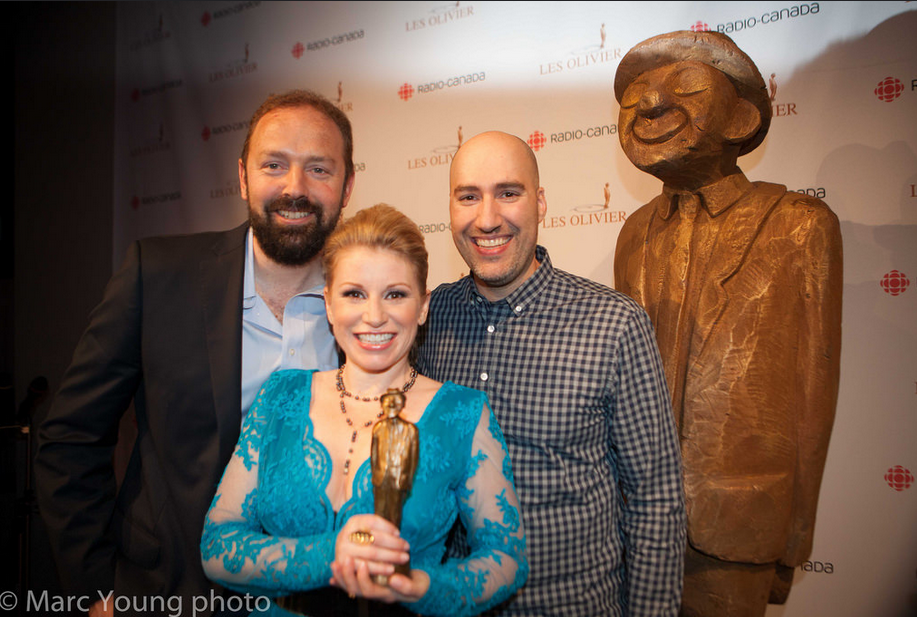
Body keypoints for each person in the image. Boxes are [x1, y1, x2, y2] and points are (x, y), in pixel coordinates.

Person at [35, 89, 354, 616]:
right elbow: (70, 437)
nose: (294, 188)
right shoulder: (156, 276)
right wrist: (93, 592)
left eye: (319, 169)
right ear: (243, 176)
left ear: (347, 187)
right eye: (274, 165)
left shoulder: (372, 309)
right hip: (167, 594)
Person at [200, 204, 527, 617]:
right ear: (329, 304)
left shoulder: (463, 414)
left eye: (395, 294)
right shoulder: (281, 396)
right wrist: (331, 555)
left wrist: (423, 585)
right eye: (354, 293)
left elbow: (506, 560)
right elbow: (217, 545)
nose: (374, 317)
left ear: (423, 306)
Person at [613, 31, 842, 616]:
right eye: (638, 92)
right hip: (634, 518)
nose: (651, 104)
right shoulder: (634, 233)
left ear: (741, 117)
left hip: (740, 521)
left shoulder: (799, 225)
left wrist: (797, 533)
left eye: (684, 86)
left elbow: (813, 392)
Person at [416, 131, 686, 616]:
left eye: (508, 193)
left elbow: (656, 500)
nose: (488, 218)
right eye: (469, 196)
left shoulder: (614, 325)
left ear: (540, 203)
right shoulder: (426, 318)